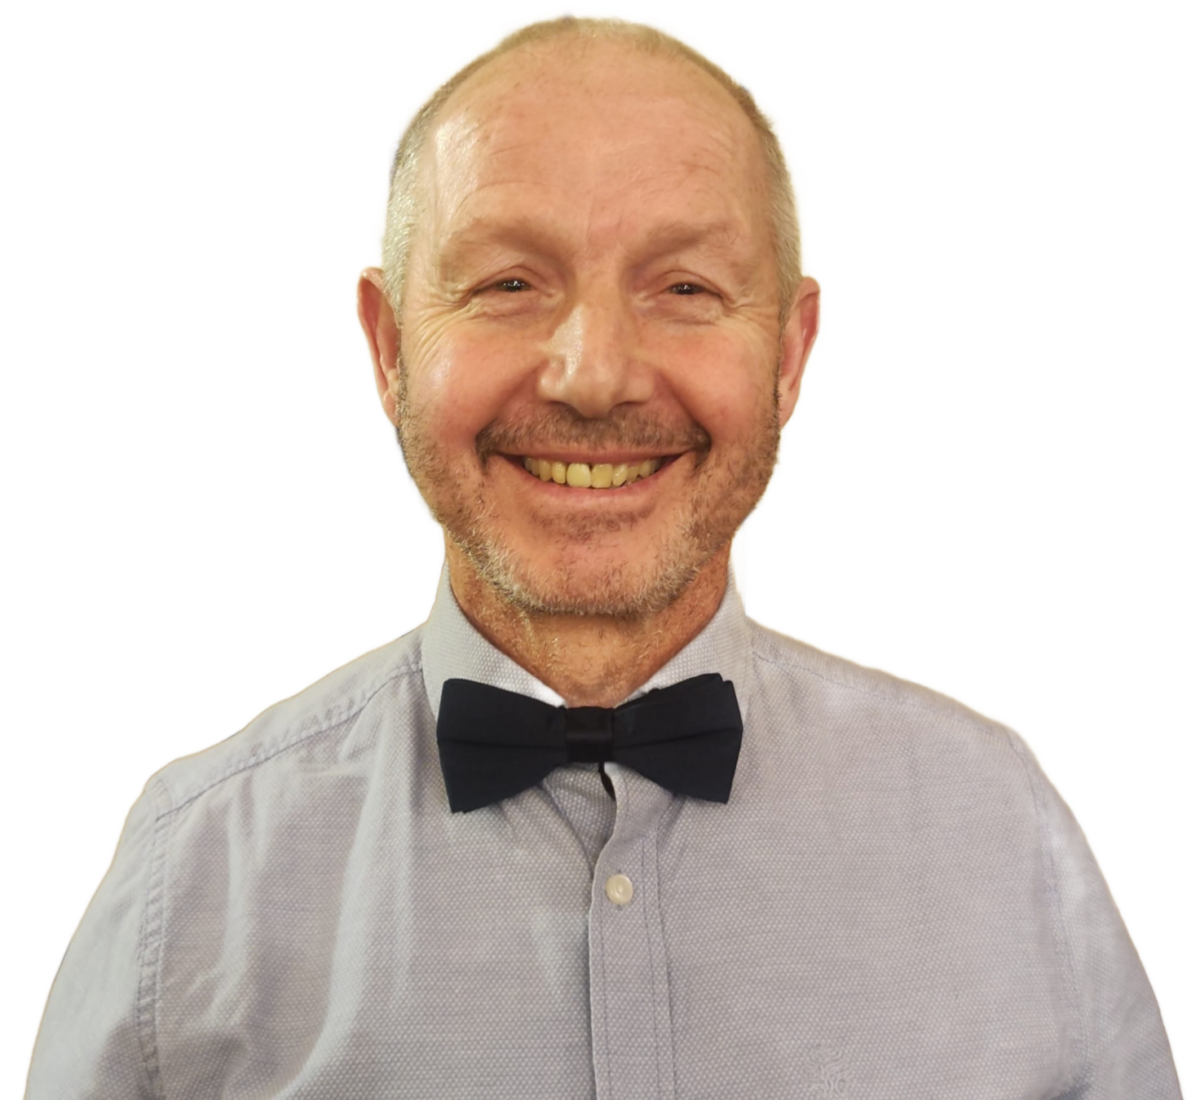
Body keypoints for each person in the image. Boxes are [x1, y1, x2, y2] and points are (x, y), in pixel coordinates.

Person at [25, 8, 1184, 1098]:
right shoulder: (190, 871)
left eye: (685, 286)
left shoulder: (1001, 823)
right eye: (507, 283)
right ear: (389, 347)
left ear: (792, 355)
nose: (593, 375)